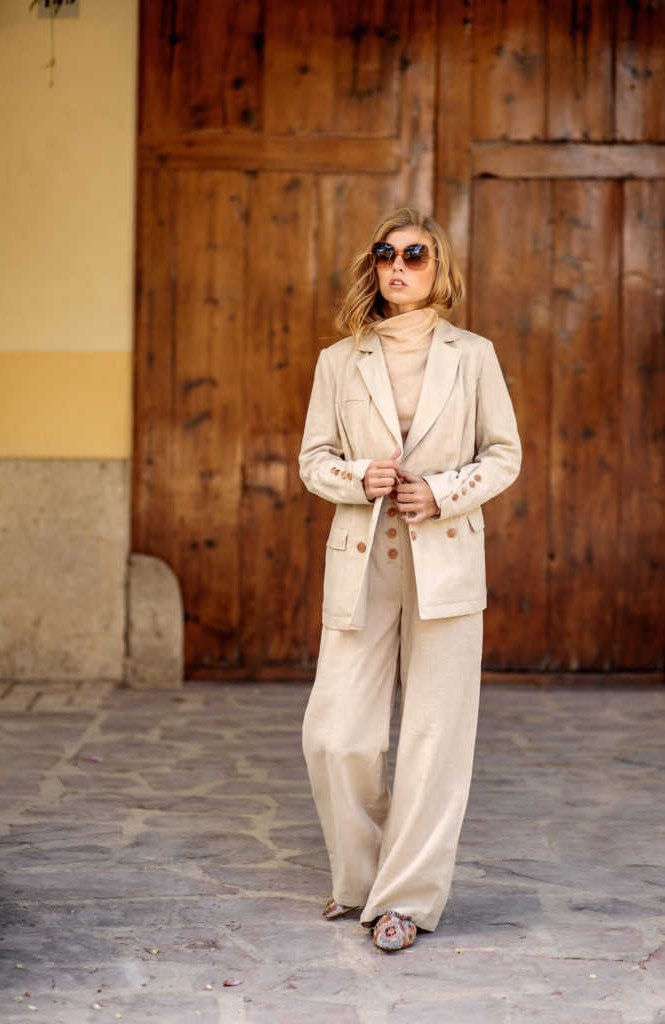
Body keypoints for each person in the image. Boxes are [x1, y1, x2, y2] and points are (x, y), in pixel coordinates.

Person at [298, 207, 522, 952]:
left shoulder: (473, 355)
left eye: (414, 254)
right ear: (373, 265)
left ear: (437, 267)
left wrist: (444, 491)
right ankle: (360, 878)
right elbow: (313, 459)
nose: (397, 265)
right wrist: (358, 476)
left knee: (434, 737)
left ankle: (405, 900)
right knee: (334, 734)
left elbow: (503, 452)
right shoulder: (339, 359)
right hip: (362, 563)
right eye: (385, 253)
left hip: (446, 561)